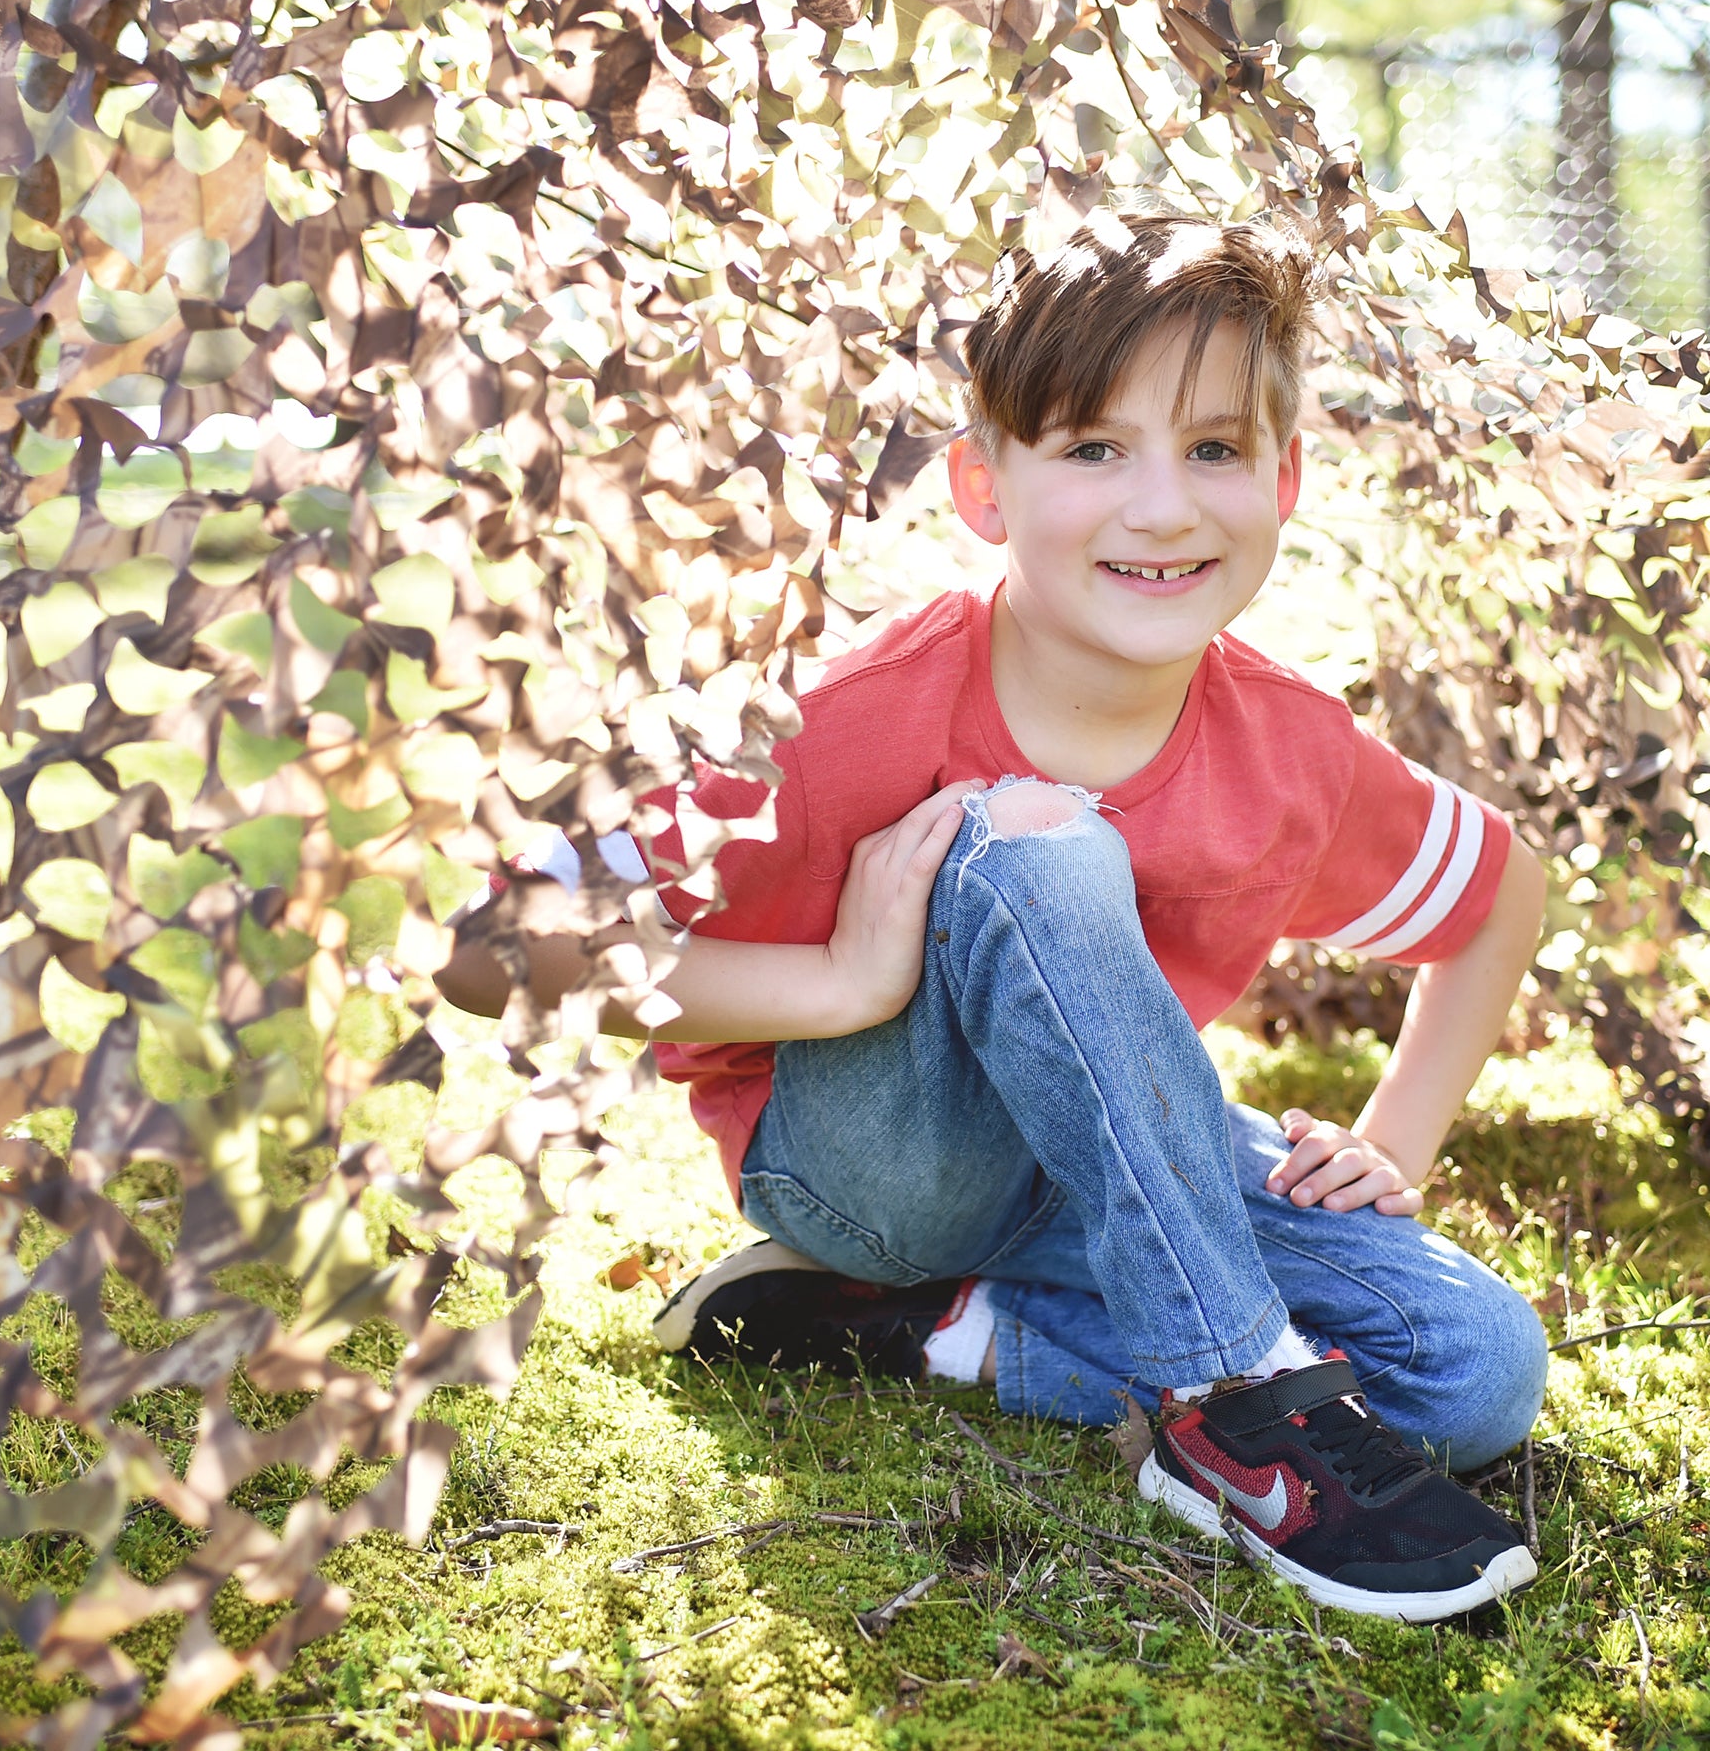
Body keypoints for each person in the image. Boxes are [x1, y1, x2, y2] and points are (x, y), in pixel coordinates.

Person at [437, 211, 1550, 1624]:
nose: (1162, 506)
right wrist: (840, 986)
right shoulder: (834, 717)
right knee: (1036, 840)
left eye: (1213, 449)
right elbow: (490, 949)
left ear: (1285, 478)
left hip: (1106, 1165)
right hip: (870, 1158)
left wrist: (1391, 1145)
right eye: (1094, 448)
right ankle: (1231, 1408)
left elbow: (1503, 894)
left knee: (1472, 1368)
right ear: (983, 485)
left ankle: (934, 1339)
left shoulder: (1287, 749)